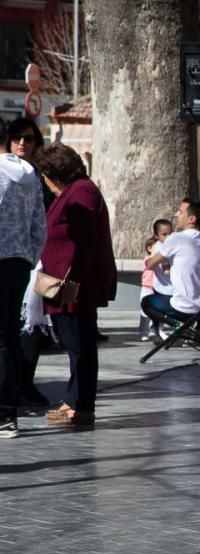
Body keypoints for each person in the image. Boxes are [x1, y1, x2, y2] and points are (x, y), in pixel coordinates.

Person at [36, 143, 117, 429]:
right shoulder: (75, 191)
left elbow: (84, 240)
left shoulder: (81, 192)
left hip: (72, 286)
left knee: (79, 346)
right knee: (75, 345)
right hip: (68, 283)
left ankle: (81, 405)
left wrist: (74, 281)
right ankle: (75, 400)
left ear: (52, 173)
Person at [0, 138, 47, 438]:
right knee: (8, 337)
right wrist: (29, 257)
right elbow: (39, 223)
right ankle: (7, 415)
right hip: (17, 261)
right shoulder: (28, 172)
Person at [142, 199, 200, 341]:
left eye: (180, 211)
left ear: (191, 218)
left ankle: (180, 328)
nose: (176, 214)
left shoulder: (176, 238)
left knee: (147, 302)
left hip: (186, 308)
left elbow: (151, 264)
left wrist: (152, 253)